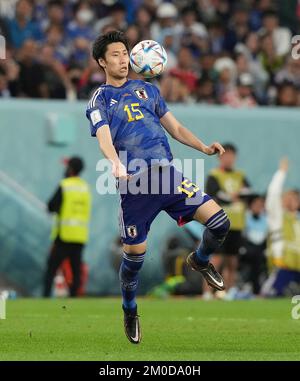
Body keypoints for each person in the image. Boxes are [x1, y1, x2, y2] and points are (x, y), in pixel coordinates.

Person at [86, 31, 230, 344]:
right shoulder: (101, 99)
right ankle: (129, 308)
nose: (123, 60)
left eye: (125, 53)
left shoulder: (147, 90)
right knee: (135, 256)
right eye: (115, 55)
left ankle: (200, 260)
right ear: (101, 61)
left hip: (168, 175)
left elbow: (175, 127)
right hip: (135, 185)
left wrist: (203, 147)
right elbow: (104, 136)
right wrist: (114, 161)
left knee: (220, 223)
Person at [205, 143, 251, 296]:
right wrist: (234, 197)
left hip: (237, 225)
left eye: (232, 155)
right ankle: (207, 293)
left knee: (232, 261)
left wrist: (232, 197)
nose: (229, 159)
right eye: (226, 155)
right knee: (216, 259)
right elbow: (216, 196)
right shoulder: (214, 175)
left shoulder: (240, 176)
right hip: (219, 224)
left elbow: (249, 194)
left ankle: (228, 293)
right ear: (220, 157)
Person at [44, 156, 91, 297]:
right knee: (76, 271)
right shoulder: (85, 187)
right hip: (79, 236)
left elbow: (51, 206)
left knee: (51, 270)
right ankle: (74, 299)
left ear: (70, 169)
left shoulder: (65, 185)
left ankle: (45, 297)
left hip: (63, 236)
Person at [261, 158, 300, 297]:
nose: (292, 200)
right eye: (289, 196)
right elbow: (273, 193)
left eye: (296, 198)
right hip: (282, 266)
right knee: (272, 296)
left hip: (298, 267)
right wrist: (281, 173)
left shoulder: (296, 220)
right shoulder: (277, 216)